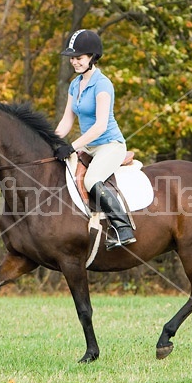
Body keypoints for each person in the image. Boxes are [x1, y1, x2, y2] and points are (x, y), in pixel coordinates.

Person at [53, 29, 136, 251]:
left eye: (79, 58)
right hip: (88, 146)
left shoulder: (103, 84)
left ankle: (123, 227)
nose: (74, 62)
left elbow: (100, 126)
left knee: (91, 180)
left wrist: (71, 146)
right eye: (72, 58)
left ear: (92, 57)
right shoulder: (75, 84)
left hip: (110, 145)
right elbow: (66, 121)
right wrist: (51, 141)